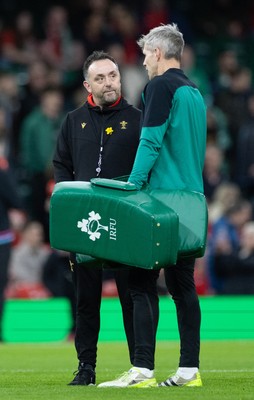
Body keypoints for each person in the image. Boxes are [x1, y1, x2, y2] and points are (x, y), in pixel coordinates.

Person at [98, 23, 207, 388]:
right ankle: (189, 370)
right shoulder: (194, 92)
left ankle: (142, 370)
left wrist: (132, 185)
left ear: (159, 53)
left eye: (146, 54)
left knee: (141, 283)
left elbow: (150, 142)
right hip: (193, 200)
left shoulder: (159, 86)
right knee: (183, 287)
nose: (143, 62)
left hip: (162, 199)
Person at [52, 50, 141, 385]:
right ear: (87, 83)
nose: (108, 83)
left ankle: (140, 366)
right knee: (86, 300)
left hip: (125, 222)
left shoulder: (137, 119)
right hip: (85, 224)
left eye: (113, 75)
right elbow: (60, 164)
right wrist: (69, 200)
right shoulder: (73, 121)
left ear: (120, 78)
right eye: (100, 77)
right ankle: (86, 368)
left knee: (131, 298)